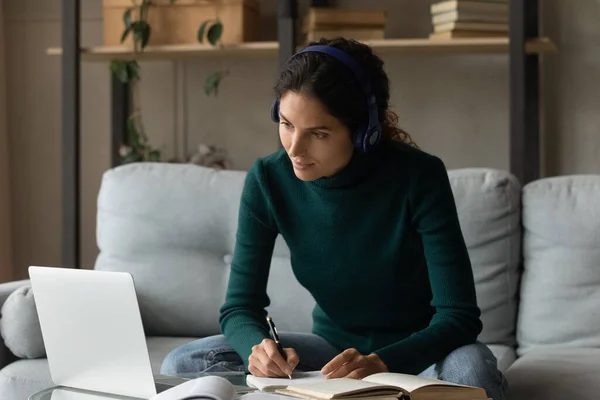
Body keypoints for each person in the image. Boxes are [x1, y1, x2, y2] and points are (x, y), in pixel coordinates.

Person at [160, 37, 508, 400]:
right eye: (286, 124)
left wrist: (383, 362)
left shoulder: (419, 177)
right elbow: (239, 307)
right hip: (333, 354)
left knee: (472, 372)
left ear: (363, 133)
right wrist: (259, 349)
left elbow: (459, 316)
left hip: (423, 353)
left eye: (318, 134)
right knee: (184, 362)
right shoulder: (267, 179)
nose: (293, 148)